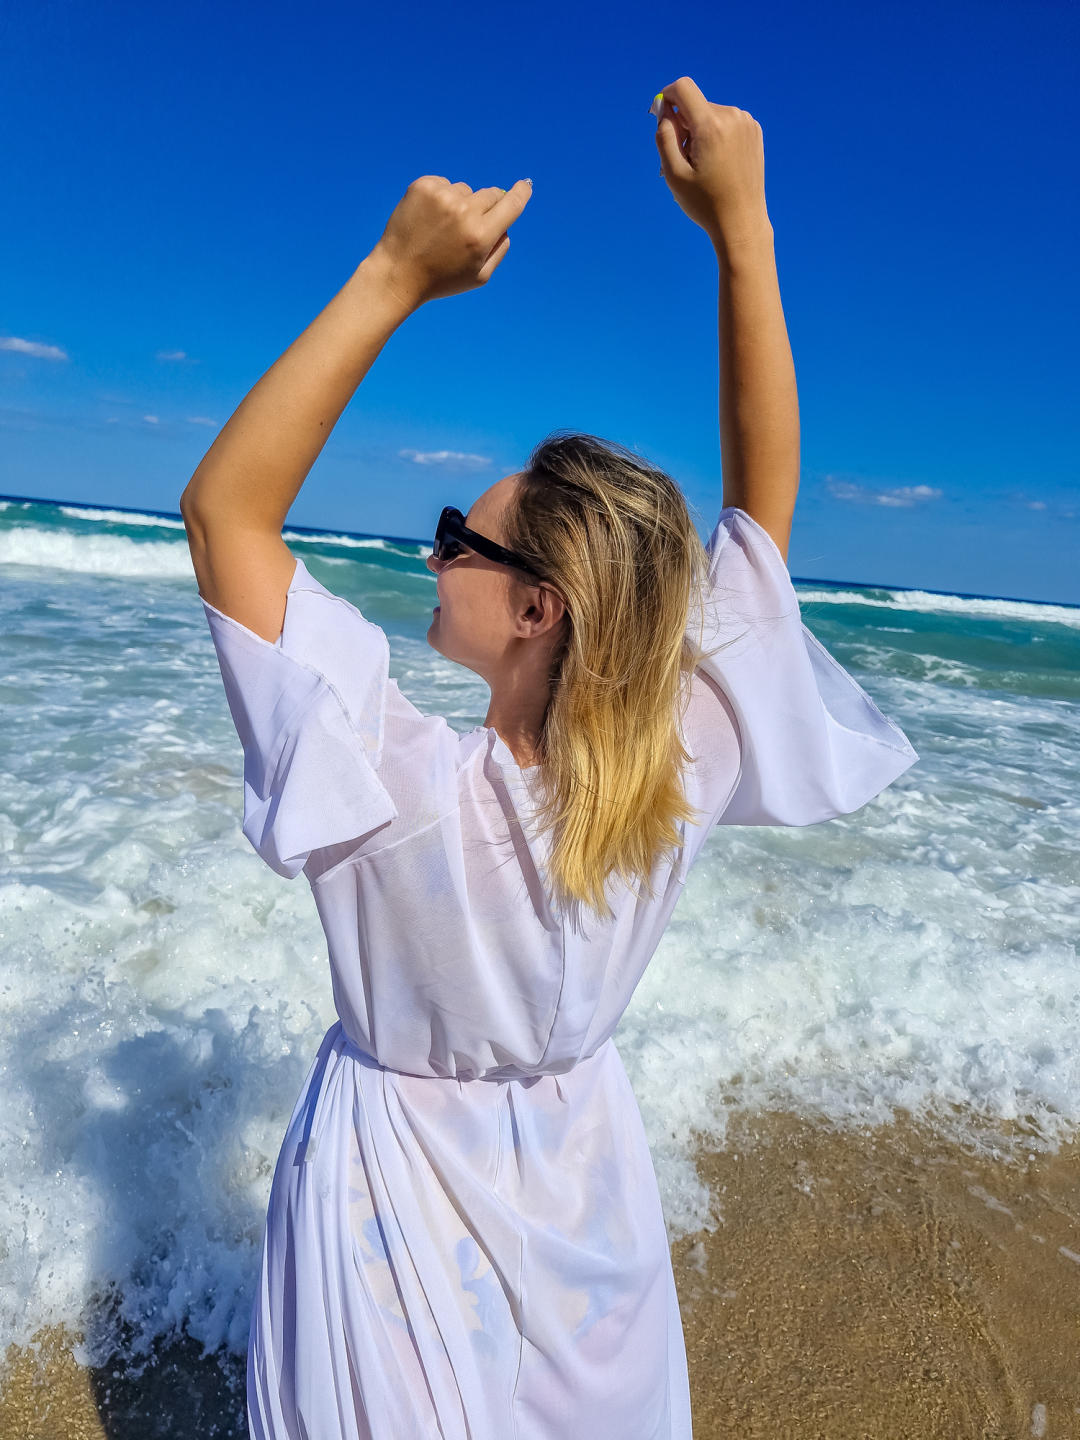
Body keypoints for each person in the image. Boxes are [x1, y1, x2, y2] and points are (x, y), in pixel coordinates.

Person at [181, 76, 917, 1440]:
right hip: (588, 1202)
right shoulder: (670, 775)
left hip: (390, 1216)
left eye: (459, 537)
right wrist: (742, 228)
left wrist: (395, 274)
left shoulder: (385, 786)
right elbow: (761, 520)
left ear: (538, 609)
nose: (435, 553)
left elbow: (228, 513)